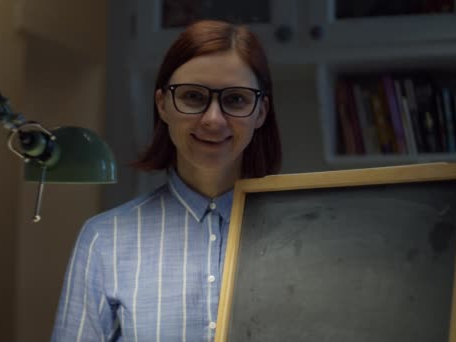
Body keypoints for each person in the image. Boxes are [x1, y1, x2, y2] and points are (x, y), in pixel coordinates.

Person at [51, 19, 282, 342]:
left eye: (236, 100)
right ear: (163, 105)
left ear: (260, 112)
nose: (213, 119)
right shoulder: (105, 239)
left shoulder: (307, 233)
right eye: (192, 96)